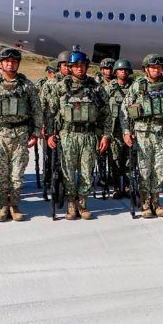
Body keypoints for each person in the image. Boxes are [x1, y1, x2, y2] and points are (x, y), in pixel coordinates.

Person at [0, 48, 42, 222]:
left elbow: (37, 110)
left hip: (20, 134)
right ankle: (3, 206)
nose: (10, 64)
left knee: (17, 175)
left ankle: (14, 205)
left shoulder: (26, 85)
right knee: (0, 174)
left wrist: (36, 132)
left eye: (14, 61)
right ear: (0, 64)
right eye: (7, 61)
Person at [46, 49, 111, 220]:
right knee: (68, 172)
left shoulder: (96, 87)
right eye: (76, 66)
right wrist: (50, 134)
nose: (79, 69)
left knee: (86, 172)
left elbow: (106, 113)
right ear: (70, 67)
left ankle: (82, 204)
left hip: (89, 136)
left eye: (82, 65)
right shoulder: (61, 87)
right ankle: (71, 205)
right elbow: (51, 112)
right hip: (68, 135)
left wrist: (106, 135)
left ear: (87, 67)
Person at [122, 55, 163, 218]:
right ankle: (145, 202)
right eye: (153, 67)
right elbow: (125, 109)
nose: (156, 70)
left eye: (159, 67)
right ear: (146, 69)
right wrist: (126, 131)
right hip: (143, 134)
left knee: (159, 169)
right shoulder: (138, 86)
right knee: (144, 169)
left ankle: (156, 201)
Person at [106, 59, 134, 199]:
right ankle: (117, 187)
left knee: (129, 159)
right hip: (114, 130)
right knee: (115, 159)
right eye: (121, 70)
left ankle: (128, 186)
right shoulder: (109, 88)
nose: (123, 72)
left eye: (125, 70)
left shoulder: (134, 87)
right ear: (116, 72)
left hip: (130, 129)